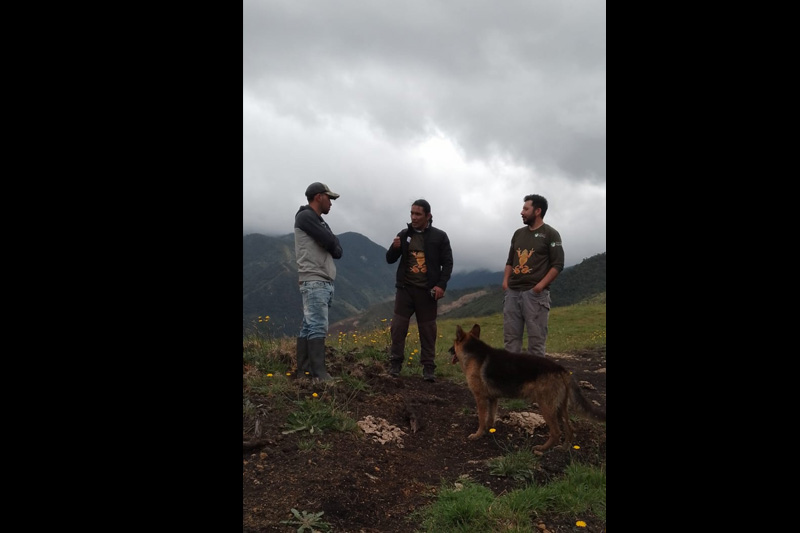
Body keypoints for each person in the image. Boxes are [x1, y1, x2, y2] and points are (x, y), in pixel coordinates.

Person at [386, 199, 454, 382]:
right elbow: (390, 259)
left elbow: (448, 263)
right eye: (412, 213)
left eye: (418, 214)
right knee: (398, 328)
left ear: (428, 216)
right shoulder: (404, 234)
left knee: (428, 330)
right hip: (405, 290)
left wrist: (441, 285)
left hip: (427, 292)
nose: (414, 217)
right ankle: (395, 364)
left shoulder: (439, 237)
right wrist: (395, 247)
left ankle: (428, 368)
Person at [501, 194, 564, 357]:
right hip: (513, 293)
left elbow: (557, 265)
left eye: (525, 209)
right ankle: (513, 379)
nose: (521, 212)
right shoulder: (518, 234)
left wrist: (539, 287)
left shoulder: (551, 234)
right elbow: (510, 261)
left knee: (536, 343)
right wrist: (505, 283)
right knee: (510, 341)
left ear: (537, 211)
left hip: (535, 296)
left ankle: (536, 381)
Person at [294, 182, 343, 382]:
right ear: (318, 197)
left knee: (309, 325)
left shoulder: (319, 221)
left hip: (320, 281)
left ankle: (304, 373)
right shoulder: (306, 217)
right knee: (317, 326)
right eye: (329, 198)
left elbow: (337, 250)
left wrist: (331, 241)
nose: (331, 203)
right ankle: (319, 375)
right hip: (315, 279)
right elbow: (332, 243)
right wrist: (330, 241)